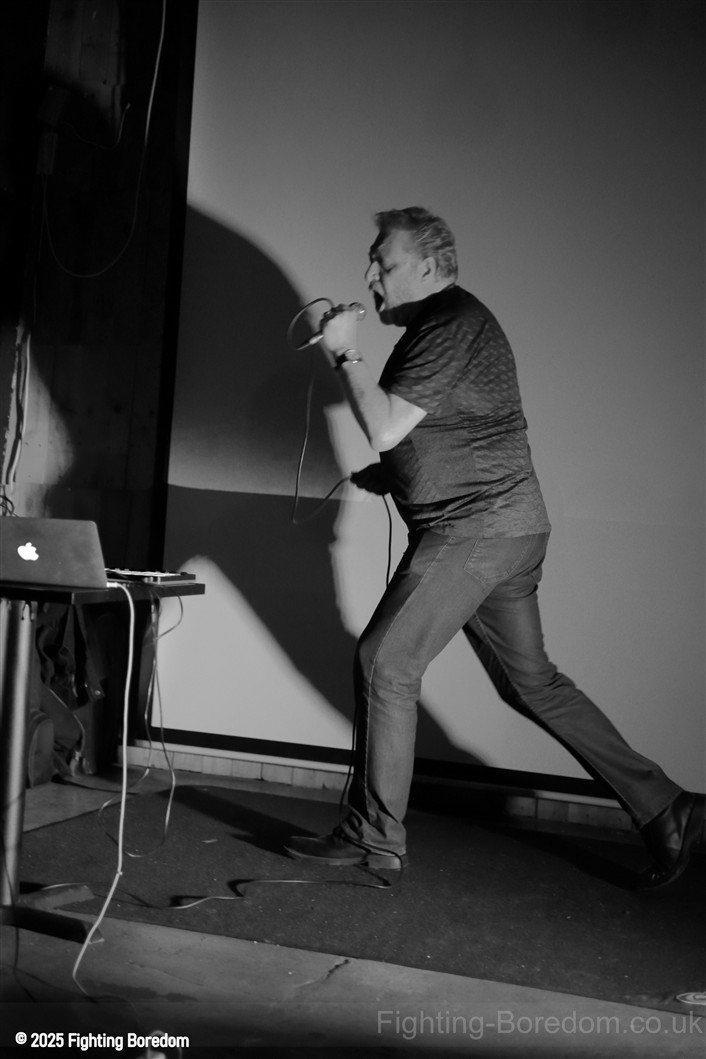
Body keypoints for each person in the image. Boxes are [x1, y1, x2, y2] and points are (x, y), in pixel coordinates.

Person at [284, 207, 704, 890]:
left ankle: (374, 838)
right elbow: (446, 426)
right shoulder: (445, 326)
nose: (369, 276)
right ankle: (667, 807)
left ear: (428, 265)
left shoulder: (451, 323)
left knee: (385, 661)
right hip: (508, 529)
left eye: (382, 262)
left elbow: (386, 426)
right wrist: (394, 476)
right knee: (531, 683)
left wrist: (345, 352)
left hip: (474, 530)